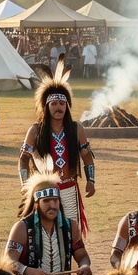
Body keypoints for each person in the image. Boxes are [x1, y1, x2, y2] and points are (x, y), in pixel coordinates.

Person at [6, 169, 92, 275]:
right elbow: (8, 260)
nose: (52, 205)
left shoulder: (70, 226)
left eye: (55, 200)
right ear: (36, 203)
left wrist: (85, 266)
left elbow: (82, 255)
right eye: (47, 201)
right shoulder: (22, 228)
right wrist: (27, 271)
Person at [20, 67, 95, 233]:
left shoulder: (77, 129)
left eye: (62, 103)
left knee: (71, 232)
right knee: (46, 234)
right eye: (53, 104)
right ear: (46, 107)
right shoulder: (35, 130)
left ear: (67, 106)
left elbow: (87, 157)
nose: (58, 108)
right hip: (45, 192)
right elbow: (23, 159)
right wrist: (25, 186)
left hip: (69, 188)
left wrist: (91, 181)